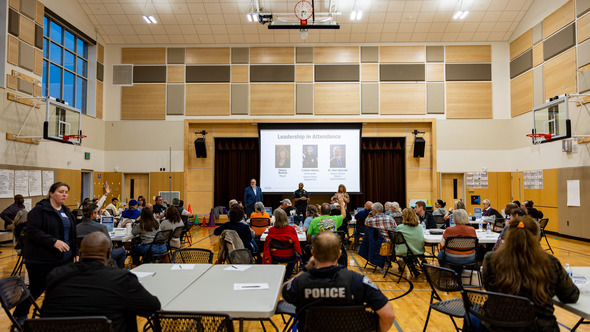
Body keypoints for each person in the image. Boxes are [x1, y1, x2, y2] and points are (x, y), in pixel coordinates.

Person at [41, 232, 161, 332]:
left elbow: (44, 314)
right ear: (109, 254)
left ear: (81, 253)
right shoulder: (122, 279)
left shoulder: (56, 275)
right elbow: (153, 307)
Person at [480, 216, 579, 331]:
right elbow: (571, 295)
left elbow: (488, 287)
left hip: (496, 326)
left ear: (507, 234)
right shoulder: (550, 263)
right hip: (539, 327)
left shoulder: (491, 260)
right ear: (537, 236)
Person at [282, 232, 395, 331]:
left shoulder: (301, 281)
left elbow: (285, 292)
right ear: (339, 254)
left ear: (313, 253)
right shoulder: (357, 280)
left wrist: (306, 269)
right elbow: (388, 315)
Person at [14, 182, 78, 321]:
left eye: (66, 192)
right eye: (61, 191)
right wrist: (53, 241)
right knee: (37, 288)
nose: (64, 194)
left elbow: (72, 234)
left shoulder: (66, 211)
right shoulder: (39, 210)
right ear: (51, 193)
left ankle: (52, 315)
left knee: (61, 288)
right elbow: (32, 231)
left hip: (64, 259)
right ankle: (20, 314)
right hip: (41, 259)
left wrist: (76, 253)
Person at [76, 203, 127, 268]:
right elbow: (110, 245)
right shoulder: (101, 227)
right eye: (96, 212)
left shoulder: (76, 228)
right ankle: (118, 273)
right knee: (122, 251)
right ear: (93, 214)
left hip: (83, 257)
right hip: (100, 257)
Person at [263, 209, 302, 280]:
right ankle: (287, 275)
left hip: (275, 256)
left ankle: (276, 275)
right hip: (289, 256)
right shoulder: (292, 229)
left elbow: (268, 245)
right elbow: (296, 245)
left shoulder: (271, 230)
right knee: (293, 260)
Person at [395, 208, 425, 276]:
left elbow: (396, 240)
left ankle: (403, 260)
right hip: (418, 250)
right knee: (410, 250)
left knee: (406, 250)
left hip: (404, 251)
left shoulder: (400, 227)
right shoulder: (420, 226)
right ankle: (415, 267)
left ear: (404, 217)